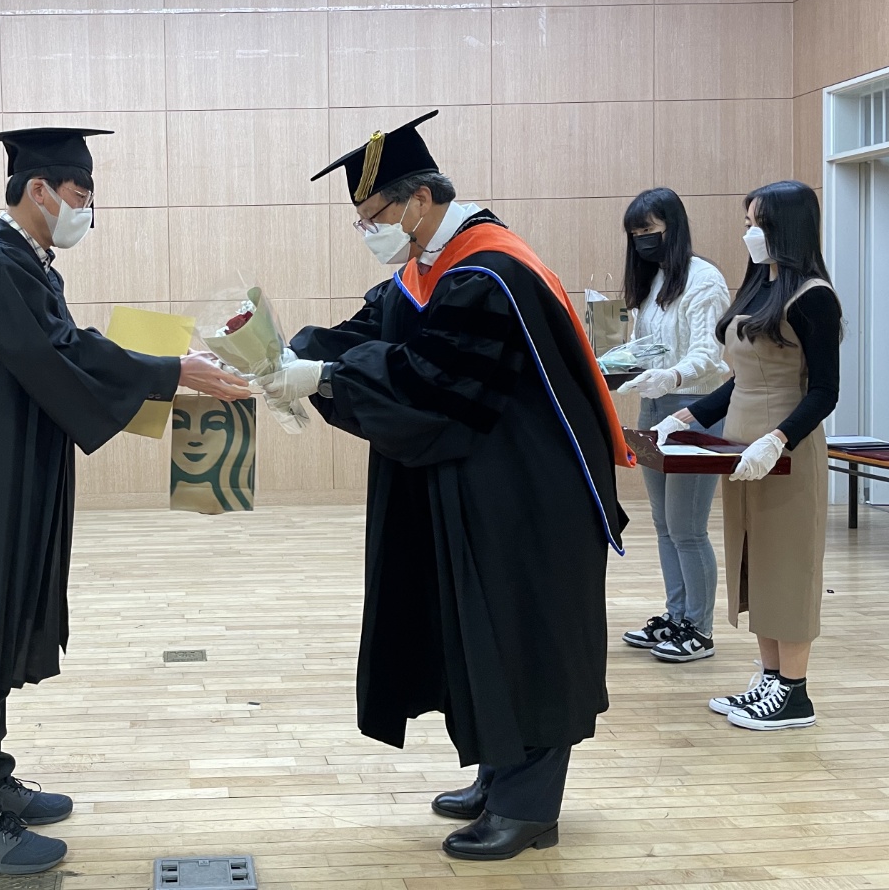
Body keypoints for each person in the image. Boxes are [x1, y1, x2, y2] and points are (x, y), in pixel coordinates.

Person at [260, 112, 632, 862]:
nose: (369, 230)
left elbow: (433, 381)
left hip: (530, 498)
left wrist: (328, 377)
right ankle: (499, 773)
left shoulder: (492, 273)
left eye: (374, 215)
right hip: (482, 489)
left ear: (421, 199)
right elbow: (377, 329)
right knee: (481, 633)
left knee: (524, 638)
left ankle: (529, 807)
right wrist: (286, 356)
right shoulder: (433, 267)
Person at [0, 127, 251, 876]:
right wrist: (171, 371)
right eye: (79, 195)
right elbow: (56, 355)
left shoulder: (22, 261)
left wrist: (165, 372)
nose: (86, 212)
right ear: (38, 190)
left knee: (5, 625)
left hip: (13, 471)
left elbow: (61, 351)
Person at [654, 180, 840, 731]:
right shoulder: (760, 289)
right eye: (748, 222)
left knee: (788, 566)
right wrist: (685, 417)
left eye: (759, 223)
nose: (750, 233)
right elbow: (741, 381)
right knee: (755, 565)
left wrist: (778, 438)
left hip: (785, 451)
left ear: (787, 227)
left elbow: (824, 391)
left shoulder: (814, 297)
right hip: (740, 452)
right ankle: (770, 677)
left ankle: (794, 693)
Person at [617, 189, 731, 663]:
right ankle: (677, 614)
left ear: (673, 227)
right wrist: (616, 362)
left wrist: (674, 377)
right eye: (635, 233)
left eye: (649, 229)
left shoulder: (705, 280)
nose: (643, 240)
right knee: (664, 523)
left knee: (688, 527)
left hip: (695, 409)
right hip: (653, 408)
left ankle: (699, 629)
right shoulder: (654, 280)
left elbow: (710, 353)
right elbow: (646, 346)